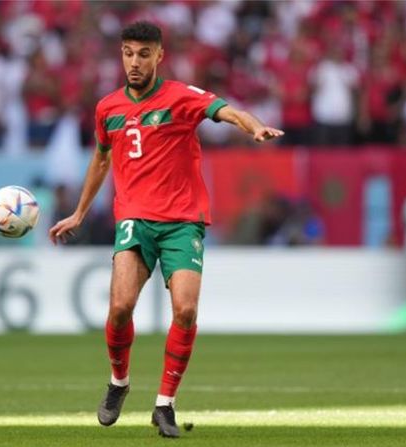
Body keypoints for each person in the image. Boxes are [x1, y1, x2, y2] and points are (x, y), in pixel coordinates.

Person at [48, 21, 283, 438]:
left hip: (182, 220)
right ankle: (119, 381)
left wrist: (254, 127)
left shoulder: (180, 97)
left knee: (186, 311)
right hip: (134, 219)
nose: (134, 62)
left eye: (143, 54)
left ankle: (164, 404)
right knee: (120, 308)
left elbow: (228, 111)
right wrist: (80, 213)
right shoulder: (107, 108)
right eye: (128, 53)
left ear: (159, 56)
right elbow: (101, 159)